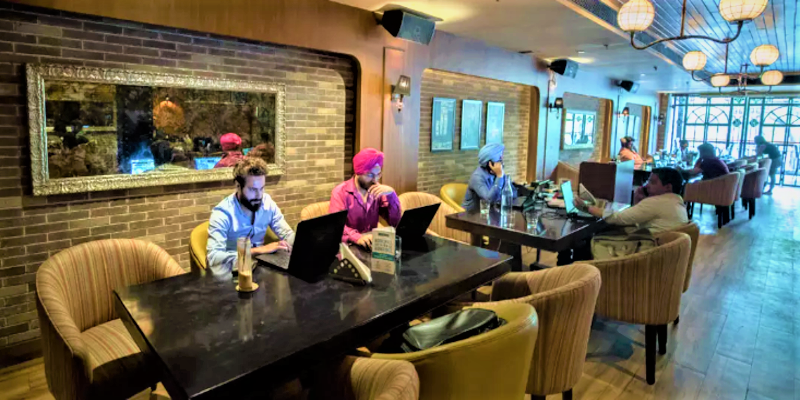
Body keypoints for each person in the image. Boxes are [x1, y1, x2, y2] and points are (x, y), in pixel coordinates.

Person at [207, 157, 295, 275]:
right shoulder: (222, 213)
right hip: (233, 272)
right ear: (238, 186)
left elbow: (287, 234)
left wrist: (303, 243)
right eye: (253, 190)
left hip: (262, 269)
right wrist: (259, 250)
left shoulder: (267, 203)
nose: (259, 195)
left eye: (262, 188)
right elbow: (213, 258)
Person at [576, 167, 688, 234]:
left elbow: (618, 218)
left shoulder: (656, 203)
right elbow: (635, 218)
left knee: (599, 234)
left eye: (653, 182)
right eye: (648, 181)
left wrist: (588, 208)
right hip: (658, 250)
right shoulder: (676, 202)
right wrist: (638, 201)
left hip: (645, 250)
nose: (647, 185)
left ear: (668, 187)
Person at [329, 148, 401, 250]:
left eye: (378, 174)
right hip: (348, 247)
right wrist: (357, 237)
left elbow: (394, 222)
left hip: (371, 246)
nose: (375, 180)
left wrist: (391, 195)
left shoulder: (377, 190)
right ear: (358, 172)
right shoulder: (340, 192)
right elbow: (336, 225)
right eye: (370, 175)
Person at [462, 143, 517, 213]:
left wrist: (501, 177)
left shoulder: (496, 173)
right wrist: (499, 176)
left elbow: (513, 193)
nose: (502, 163)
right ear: (490, 164)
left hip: (490, 213)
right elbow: (489, 200)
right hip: (471, 215)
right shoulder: (477, 177)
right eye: (499, 160)